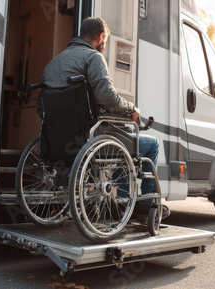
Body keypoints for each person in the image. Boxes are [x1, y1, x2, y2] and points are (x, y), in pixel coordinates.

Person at [39, 17, 169, 221]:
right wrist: (132, 109)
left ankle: (122, 202)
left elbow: (42, 109)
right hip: (90, 137)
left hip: (58, 140)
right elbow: (107, 97)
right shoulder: (93, 58)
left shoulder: (52, 65)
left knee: (120, 141)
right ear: (101, 37)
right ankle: (141, 205)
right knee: (149, 144)